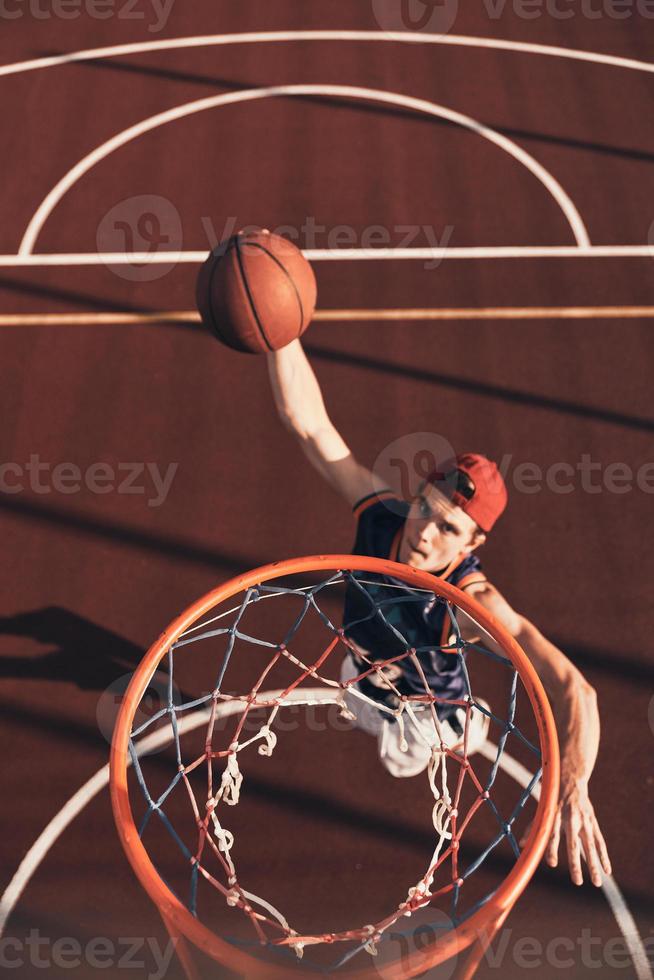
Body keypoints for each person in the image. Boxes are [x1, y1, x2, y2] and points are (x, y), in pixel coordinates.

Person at [267, 338, 611, 889]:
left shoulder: (473, 604)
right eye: (425, 506)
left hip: (429, 713)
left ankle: (453, 727)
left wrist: (572, 781)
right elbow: (309, 425)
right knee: (357, 702)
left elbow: (577, 690)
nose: (424, 531)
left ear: (473, 541)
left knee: (406, 760)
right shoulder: (382, 516)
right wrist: (280, 333)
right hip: (364, 674)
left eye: (448, 527)